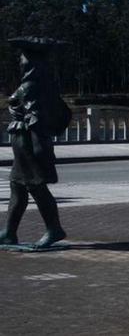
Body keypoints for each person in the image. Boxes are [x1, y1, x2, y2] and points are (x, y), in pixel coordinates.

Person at [2, 37, 70, 248]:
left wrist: (42, 151)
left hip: (30, 147)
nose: (20, 62)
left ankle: (54, 229)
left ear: (31, 63)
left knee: (36, 187)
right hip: (23, 147)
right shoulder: (34, 85)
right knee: (17, 187)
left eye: (22, 58)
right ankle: (10, 232)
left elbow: (37, 121)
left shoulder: (32, 87)